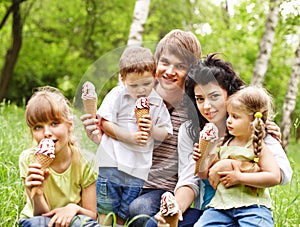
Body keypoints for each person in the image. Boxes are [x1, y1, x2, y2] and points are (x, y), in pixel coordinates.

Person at [149, 54, 292, 227]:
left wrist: (233, 167)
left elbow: (283, 174)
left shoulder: (253, 126)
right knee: (152, 224)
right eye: (200, 99)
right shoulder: (190, 130)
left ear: (230, 94)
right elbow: (190, 179)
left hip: (249, 209)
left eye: (214, 96)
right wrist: (177, 209)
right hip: (213, 211)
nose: (206, 107)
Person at [81, 29, 203, 227]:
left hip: (160, 189)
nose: (170, 71)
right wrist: (98, 135)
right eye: (165, 63)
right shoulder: (136, 91)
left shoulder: (192, 109)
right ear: (155, 64)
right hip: (122, 174)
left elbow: (228, 106)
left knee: (139, 210)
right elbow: (111, 133)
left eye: (180, 66)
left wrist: (262, 124)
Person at [93, 46, 173, 226]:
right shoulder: (117, 95)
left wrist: (152, 128)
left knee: (125, 212)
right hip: (110, 165)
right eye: (134, 85)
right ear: (122, 79)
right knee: (106, 209)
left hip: (137, 170)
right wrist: (128, 137)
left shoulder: (157, 102)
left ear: (154, 77)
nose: (141, 90)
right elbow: (104, 123)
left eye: (146, 84)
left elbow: (165, 132)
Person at [194, 85, 281, 226]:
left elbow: (274, 177)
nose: (228, 120)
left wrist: (240, 177)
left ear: (253, 121)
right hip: (220, 207)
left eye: (235, 117)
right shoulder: (223, 143)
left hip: (253, 207)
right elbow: (205, 174)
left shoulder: (257, 146)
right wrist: (203, 157)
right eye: (229, 115)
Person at [18, 86, 99, 227]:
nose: (47, 132)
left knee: (83, 223)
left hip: (73, 219)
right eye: (38, 127)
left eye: (54, 123)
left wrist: (74, 208)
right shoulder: (29, 160)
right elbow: (41, 215)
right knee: (37, 224)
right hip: (38, 218)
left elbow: (92, 214)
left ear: (70, 125)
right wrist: (37, 193)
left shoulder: (86, 161)